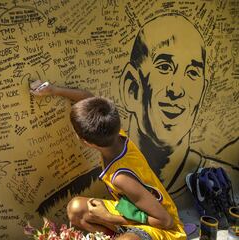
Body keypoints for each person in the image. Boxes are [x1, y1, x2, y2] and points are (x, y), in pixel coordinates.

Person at [30, 81, 186, 240]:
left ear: (87, 143)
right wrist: (54, 90)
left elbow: (165, 221)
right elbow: (88, 98)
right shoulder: (115, 134)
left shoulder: (121, 178)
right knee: (77, 209)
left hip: (166, 230)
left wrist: (107, 217)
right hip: (134, 213)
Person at [119, 13, 238, 195]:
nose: (176, 90)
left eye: (192, 72)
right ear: (132, 88)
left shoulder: (220, 183)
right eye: (164, 67)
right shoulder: (90, 187)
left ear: (202, 93)